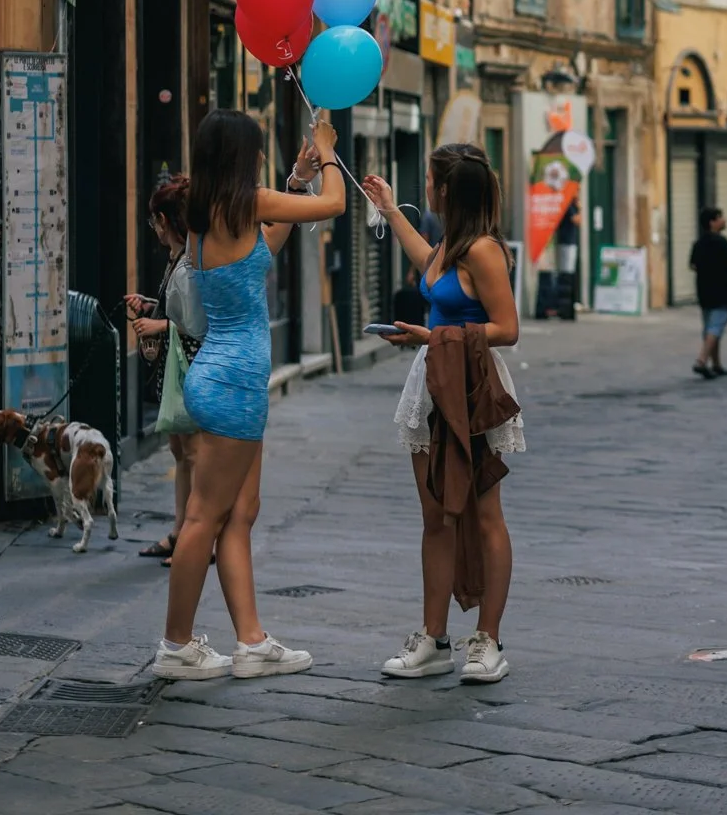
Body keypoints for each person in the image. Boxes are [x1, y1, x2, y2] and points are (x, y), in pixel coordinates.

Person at [153, 111, 346, 681]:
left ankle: (252, 642)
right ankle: (176, 646)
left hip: (222, 375)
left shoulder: (211, 215)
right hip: (233, 379)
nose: (262, 158)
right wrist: (328, 152)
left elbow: (263, 247)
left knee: (240, 515)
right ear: (242, 156)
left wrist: (295, 182)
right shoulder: (246, 203)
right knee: (203, 518)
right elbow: (334, 204)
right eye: (258, 151)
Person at [362, 145, 522, 686]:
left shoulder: (483, 251)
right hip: (434, 380)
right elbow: (425, 261)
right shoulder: (449, 246)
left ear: (446, 190)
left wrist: (433, 336)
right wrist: (388, 209)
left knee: (482, 513)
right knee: (435, 513)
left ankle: (489, 640)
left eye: (428, 180)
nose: (424, 188)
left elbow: (507, 327)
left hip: (474, 383)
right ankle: (433, 639)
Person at [126, 175, 202, 566]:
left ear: (167, 221)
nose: (154, 228)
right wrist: (151, 305)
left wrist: (160, 325)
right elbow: (178, 308)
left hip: (189, 364)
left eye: (155, 221)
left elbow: (197, 321)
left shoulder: (188, 263)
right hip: (177, 366)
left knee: (192, 452)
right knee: (180, 449)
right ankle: (180, 531)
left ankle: (194, 536)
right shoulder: (177, 258)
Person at [689, 206, 727, 380]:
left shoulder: (698, 243)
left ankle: (717, 364)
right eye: (721, 217)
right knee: (715, 327)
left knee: (709, 327)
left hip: (703, 290)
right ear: (713, 222)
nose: (724, 220)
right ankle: (701, 360)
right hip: (721, 290)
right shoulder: (721, 241)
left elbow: (693, 265)